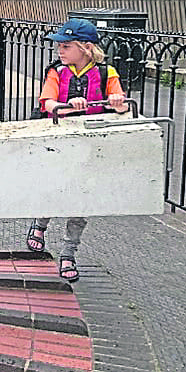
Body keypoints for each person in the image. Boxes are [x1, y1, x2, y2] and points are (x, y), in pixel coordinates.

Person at [25, 18, 129, 282]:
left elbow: (122, 107)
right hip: (59, 140)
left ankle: (69, 252)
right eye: (59, 45)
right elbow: (47, 103)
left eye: (66, 45)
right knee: (52, 187)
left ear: (85, 47)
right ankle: (40, 225)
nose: (60, 50)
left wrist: (117, 102)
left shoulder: (107, 73)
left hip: (90, 144)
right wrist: (68, 105)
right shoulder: (57, 72)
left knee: (82, 198)